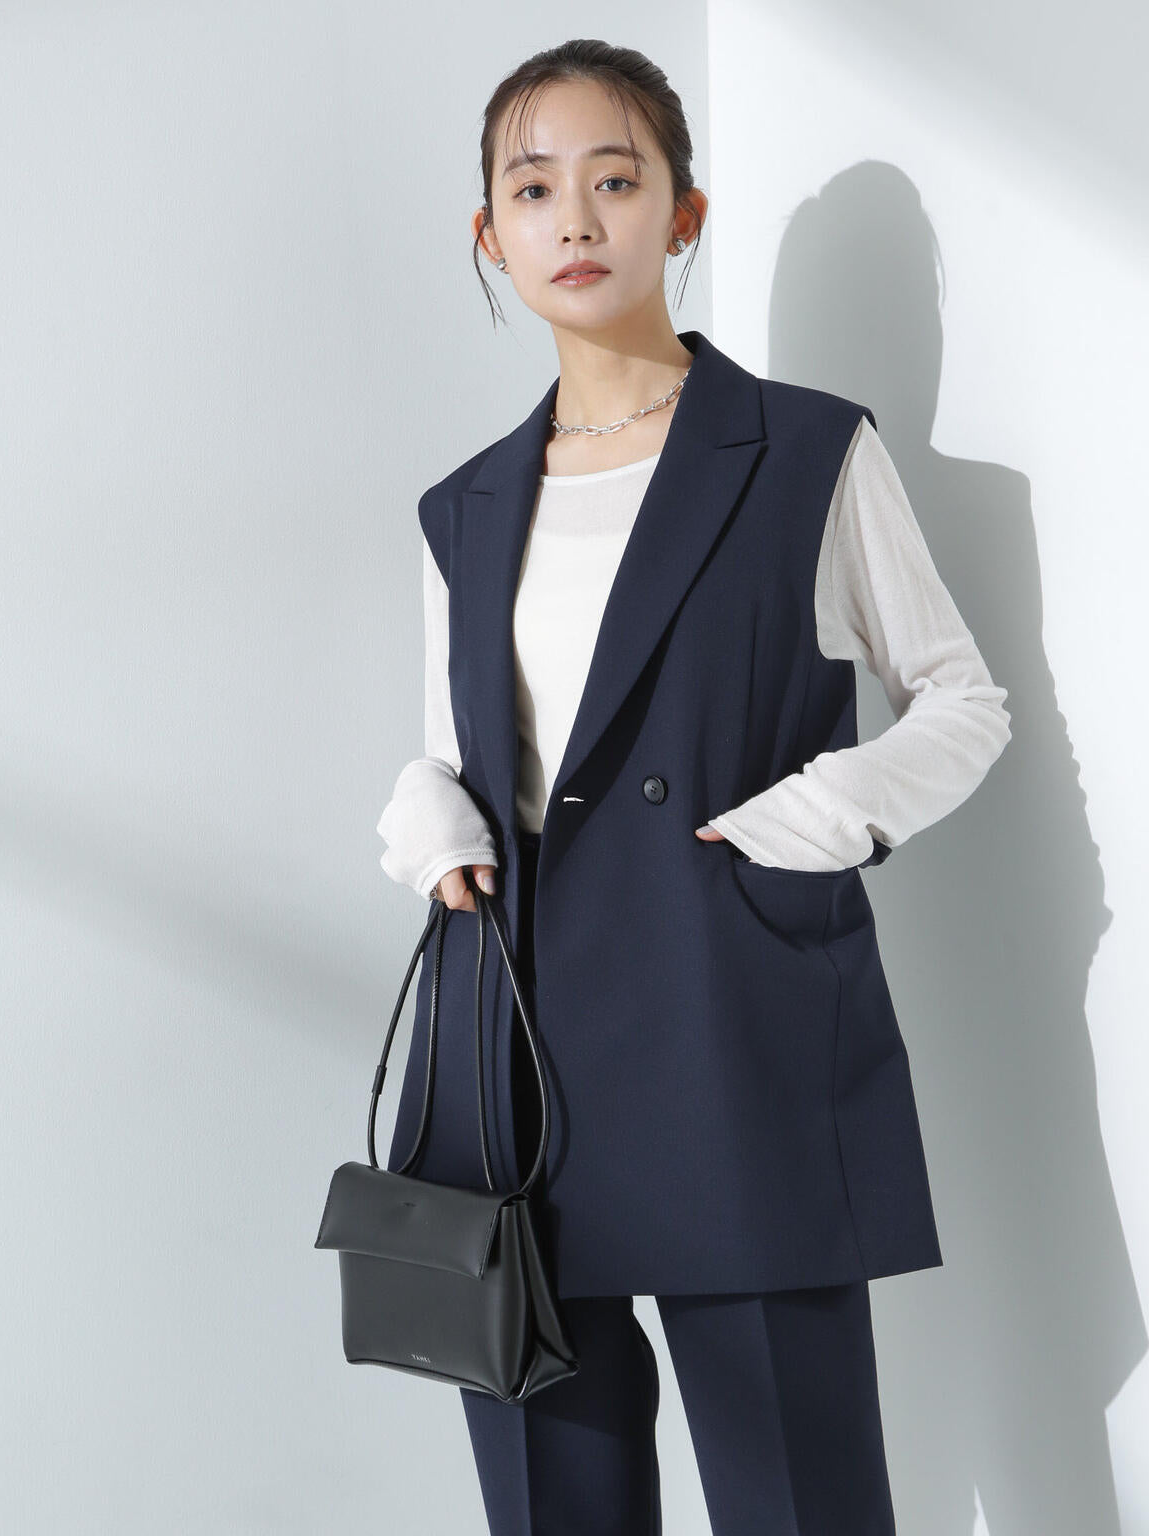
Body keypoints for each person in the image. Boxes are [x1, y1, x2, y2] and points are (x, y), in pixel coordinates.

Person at [374, 38, 1010, 1536]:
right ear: (491, 236)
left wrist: (812, 819)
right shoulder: (465, 505)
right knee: (555, 1506)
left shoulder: (805, 452)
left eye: (615, 179)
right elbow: (463, 742)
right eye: (534, 189)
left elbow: (961, 700)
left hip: (729, 1004)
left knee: (801, 1500)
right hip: (514, 1038)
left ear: (684, 213)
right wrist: (424, 813)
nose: (576, 220)